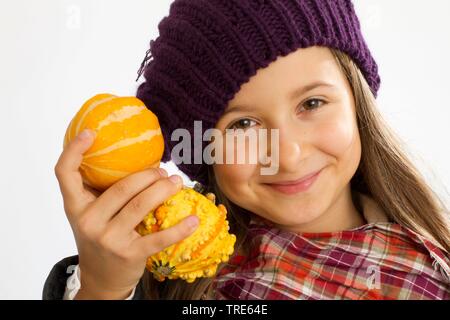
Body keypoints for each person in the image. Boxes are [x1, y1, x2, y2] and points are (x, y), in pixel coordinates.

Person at [43, 0, 450, 300]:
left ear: (357, 101)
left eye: (311, 104)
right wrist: (103, 285)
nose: (287, 155)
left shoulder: (433, 257)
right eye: (243, 125)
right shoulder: (181, 282)